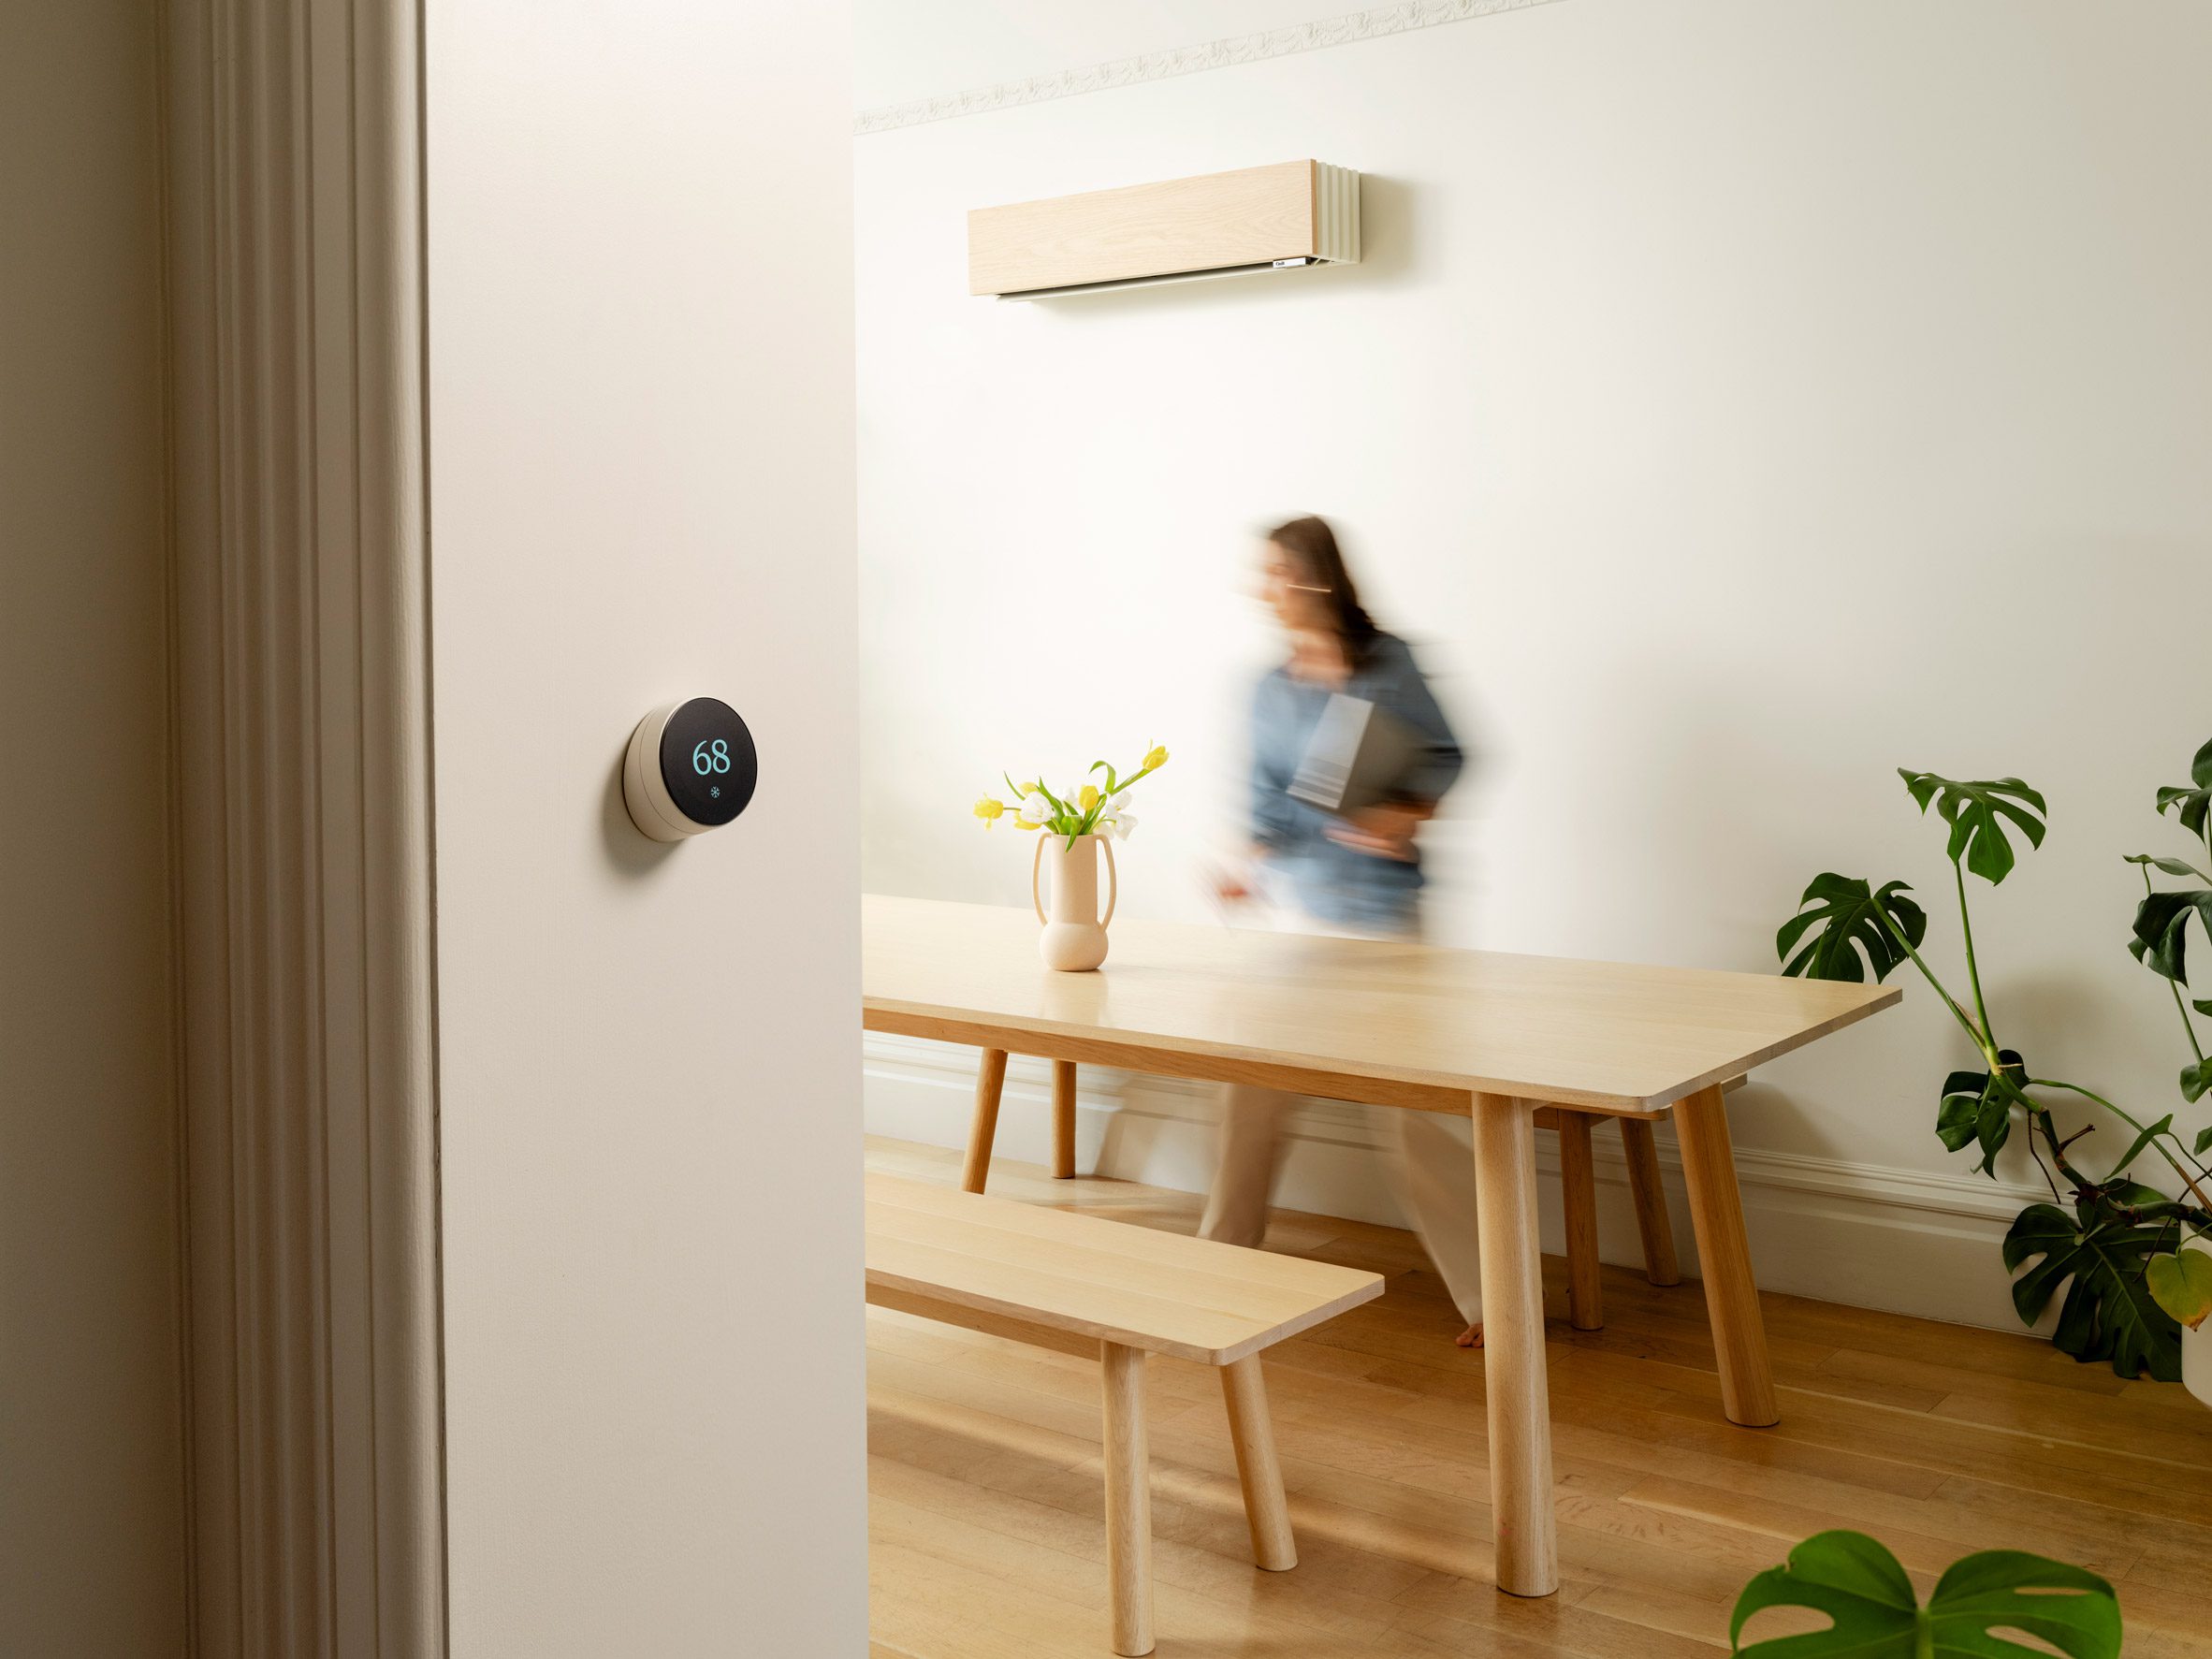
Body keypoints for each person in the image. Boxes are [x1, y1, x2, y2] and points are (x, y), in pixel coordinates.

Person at [1201, 515, 1486, 1347]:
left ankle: (1492, 1298)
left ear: (1318, 577)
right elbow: (1262, 804)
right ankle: (1222, 1262)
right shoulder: (1268, 687)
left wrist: (1405, 814)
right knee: (1249, 1087)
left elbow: (1453, 755)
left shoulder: (1392, 664)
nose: (1265, 589)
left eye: (1277, 572)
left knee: (1413, 1116)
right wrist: (1242, 862)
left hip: (1389, 918)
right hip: (1301, 918)